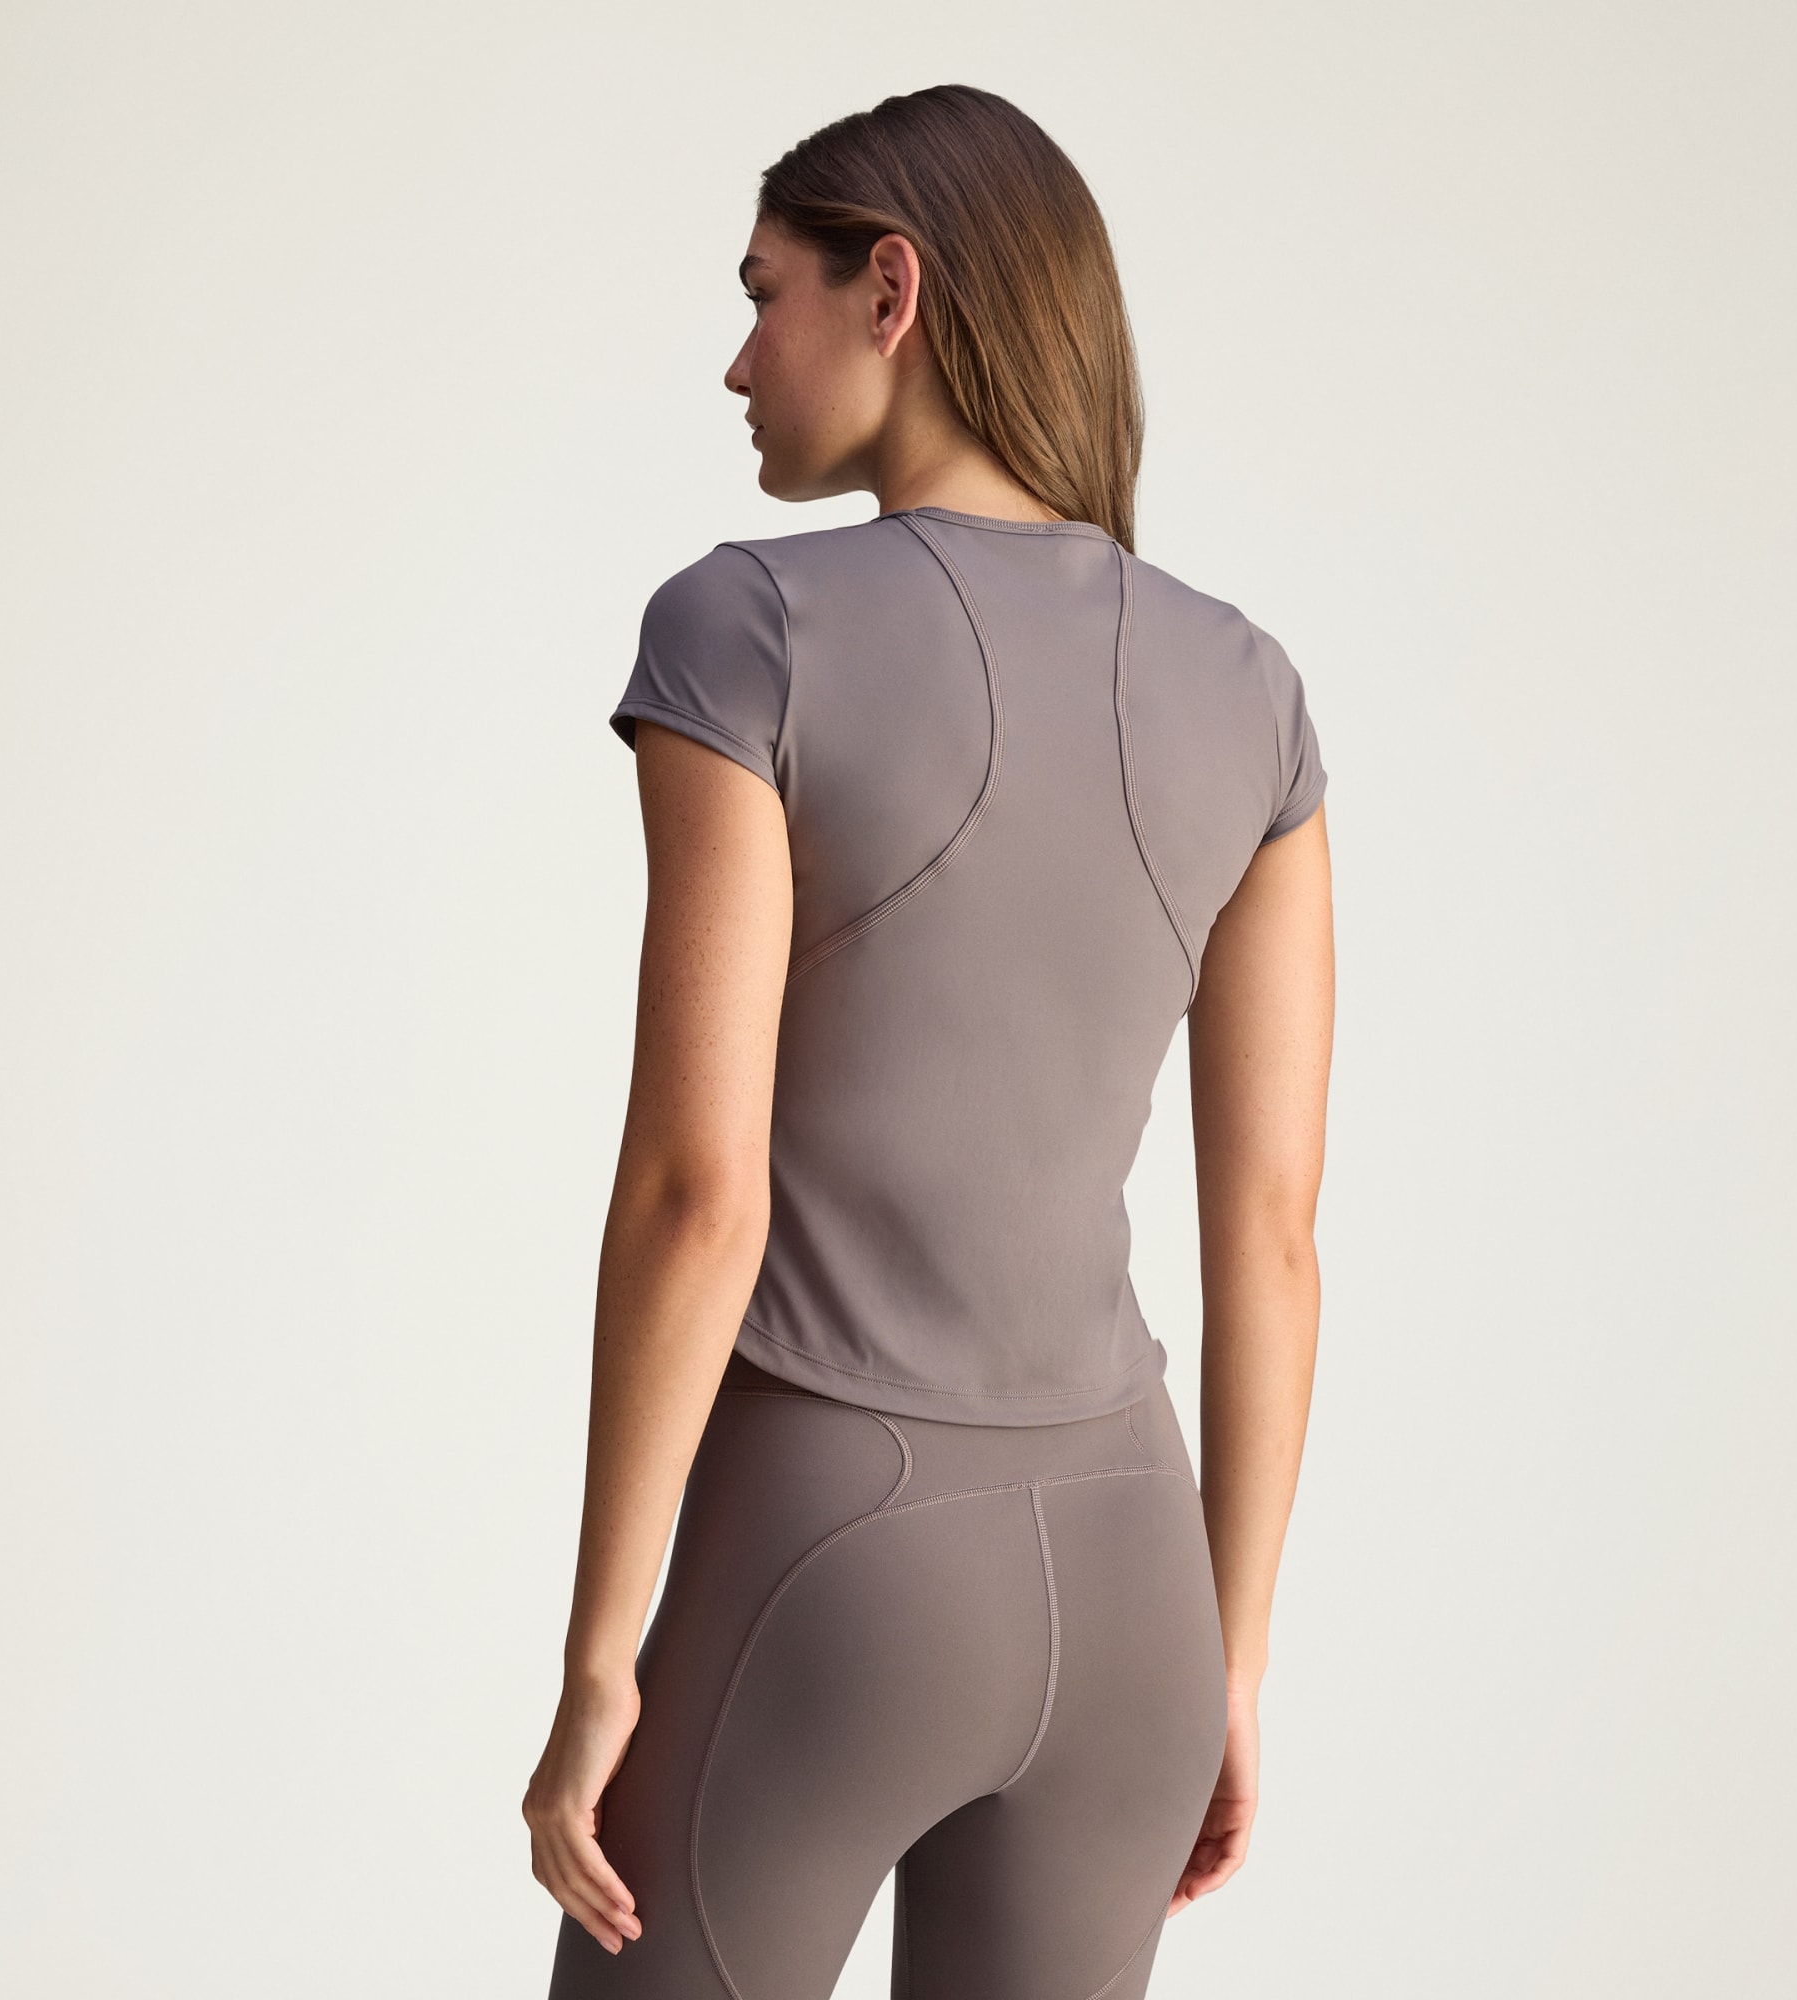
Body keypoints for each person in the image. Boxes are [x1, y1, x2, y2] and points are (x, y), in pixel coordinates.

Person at [524, 83, 1333, 2000]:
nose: (739, 360)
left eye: (764, 295)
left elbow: (698, 1194)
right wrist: (1228, 1658)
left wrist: (600, 1656)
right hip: (1136, 1581)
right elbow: (1275, 1232)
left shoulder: (748, 630)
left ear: (892, 289)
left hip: (830, 1547)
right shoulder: (1252, 689)